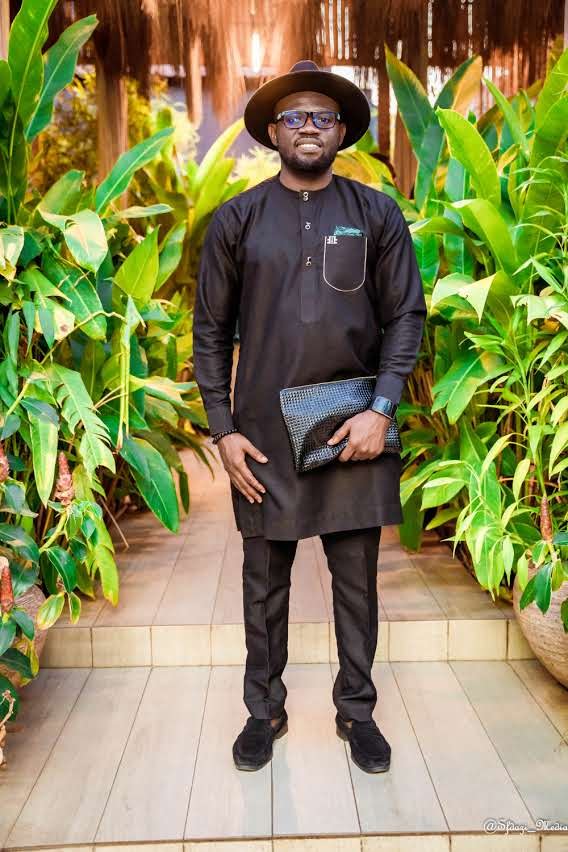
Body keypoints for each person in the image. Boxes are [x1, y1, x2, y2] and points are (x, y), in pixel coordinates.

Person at [192, 59, 427, 774]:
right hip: (263, 436)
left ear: (340, 131)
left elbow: (406, 315)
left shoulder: (376, 215)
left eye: (322, 116)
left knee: (356, 583)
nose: (308, 127)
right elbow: (210, 331)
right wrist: (223, 430)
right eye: (293, 116)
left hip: (352, 427)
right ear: (273, 131)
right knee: (264, 585)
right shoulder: (237, 220)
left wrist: (382, 409)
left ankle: (358, 712)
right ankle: (263, 711)